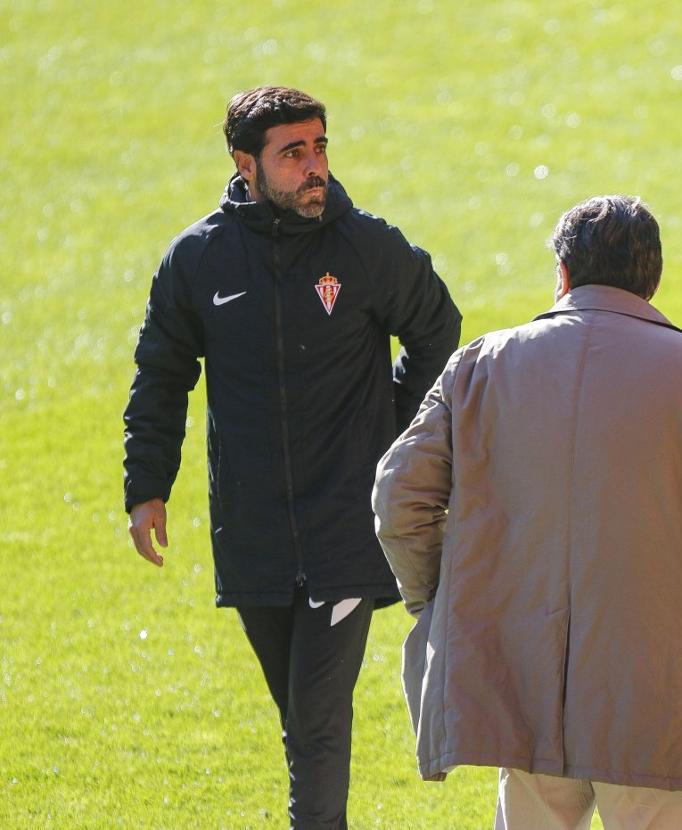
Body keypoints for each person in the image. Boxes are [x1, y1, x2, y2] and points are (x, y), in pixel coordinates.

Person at [372, 195, 682, 830]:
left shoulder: (480, 366)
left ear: (562, 274)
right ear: (652, 280)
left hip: (521, 677)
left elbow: (398, 499)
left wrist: (450, 601)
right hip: (663, 696)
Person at [122, 86, 461, 829]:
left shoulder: (366, 248)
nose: (315, 167)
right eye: (293, 153)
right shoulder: (198, 260)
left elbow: (439, 330)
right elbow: (162, 373)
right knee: (299, 718)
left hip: (344, 527)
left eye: (320, 147)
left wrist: (395, 429)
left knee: (316, 725)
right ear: (247, 164)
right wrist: (146, 485)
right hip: (252, 535)